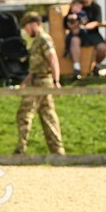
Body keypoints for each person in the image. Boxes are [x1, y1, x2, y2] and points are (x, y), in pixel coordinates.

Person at [15, 11, 65, 155]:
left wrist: (56, 81)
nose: (25, 31)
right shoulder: (37, 41)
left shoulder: (44, 39)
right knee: (47, 116)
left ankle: (21, 149)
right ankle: (58, 152)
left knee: (24, 114)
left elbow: (53, 60)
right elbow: (36, 67)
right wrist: (26, 81)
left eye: (26, 27)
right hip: (37, 80)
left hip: (42, 82)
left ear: (33, 24)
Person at [70, 0, 106, 76]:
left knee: (103, 49)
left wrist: (85, 27)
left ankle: (95, 65)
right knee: (74, 40)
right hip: (79, 34)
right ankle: (77, 68)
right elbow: (68, 21)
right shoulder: (77, 6)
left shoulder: (96, 7)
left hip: (93, 33)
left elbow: (96, 22)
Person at [63, 0, 89, 76]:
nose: (76, 8)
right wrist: (71, 21)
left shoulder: (82, 14)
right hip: (72, 35)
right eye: (75, 6)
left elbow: (84, 21)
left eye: (78, 7)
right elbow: (67, 25)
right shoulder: (69, 15)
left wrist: (78, 18)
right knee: (70, 38)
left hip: (82, 35)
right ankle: (67, 50)